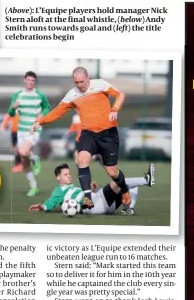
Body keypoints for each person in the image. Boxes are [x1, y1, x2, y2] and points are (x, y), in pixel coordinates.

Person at [33, 67, 130, 205]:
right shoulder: (72, 94)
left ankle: (124, 188)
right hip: (88, 133)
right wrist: (40, 121)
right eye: (76, 82)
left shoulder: (100, 84)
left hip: (108, 133)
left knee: (112, 172)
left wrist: (114, 109)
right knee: (82, 159)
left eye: (81, 82)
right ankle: (87, 198)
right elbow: (57, 112)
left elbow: (120, 95)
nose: (79, 85)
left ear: (88, 77)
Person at [29, 163, 155, 217]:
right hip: (95, 206)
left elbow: (83, 197)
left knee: (129, 185)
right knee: (119, 181)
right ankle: (146, 180)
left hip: (101, 203)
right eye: (65, 174)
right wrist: (42, 207)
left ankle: (129, 209)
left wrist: (91, 190)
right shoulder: (59, 190)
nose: (69, 175)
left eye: (69, 173)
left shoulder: (72, 189)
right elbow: (51, 202)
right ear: (58, 177)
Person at [5, 71, 51, 196]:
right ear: (25, 80)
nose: (30, 82)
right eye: (28, 80)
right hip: (21, 130)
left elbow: (47, 107)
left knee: (23, 152)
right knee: (24, 159)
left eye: (33, 81)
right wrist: (13, 107)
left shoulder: (39, 95)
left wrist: (43, 115)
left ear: (34, 82)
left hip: (34, 129)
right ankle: (33, 186)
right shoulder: (17, 95)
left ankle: (35, 158)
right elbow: (11, 113)